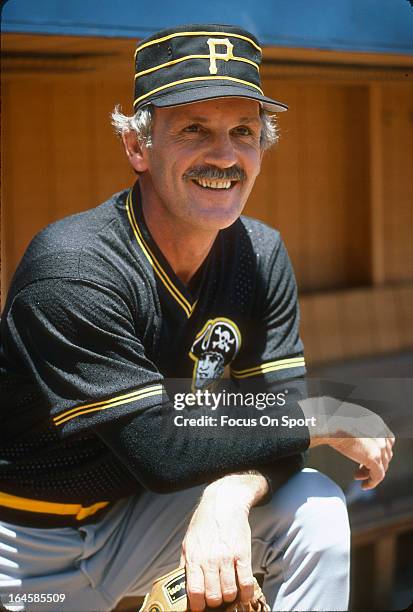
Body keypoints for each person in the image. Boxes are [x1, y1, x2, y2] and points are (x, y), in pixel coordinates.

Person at [0, 23, 394, 612]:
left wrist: (229, 497)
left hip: (143, 517)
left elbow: (275, 417)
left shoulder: (260, 254)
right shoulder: (73, 266)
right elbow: (164, 446)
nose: (224, 155)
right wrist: (325, 411)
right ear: (138, 147)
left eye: (244, 131)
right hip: (24, 545)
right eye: (193, 129)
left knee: (313, 508)